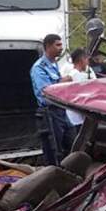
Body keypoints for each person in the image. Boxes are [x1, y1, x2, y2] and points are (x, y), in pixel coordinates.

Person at [30, 33, 74, 165]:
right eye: (58, 45)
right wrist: (62, 82)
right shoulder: (39, 68)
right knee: (54, 149)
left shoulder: (54, 65)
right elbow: (46, 92)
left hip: (61, 111)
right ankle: (54, 175)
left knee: (71, 141)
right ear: (48, 46)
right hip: (49, 113)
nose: (61, 48)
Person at [59, 47, 94, 127]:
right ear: (82, 60)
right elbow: (60, 83)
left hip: (82, 115)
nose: (88, 62)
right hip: (75, 117)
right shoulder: (74, 74)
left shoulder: (86, 72)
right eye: (87, 59)